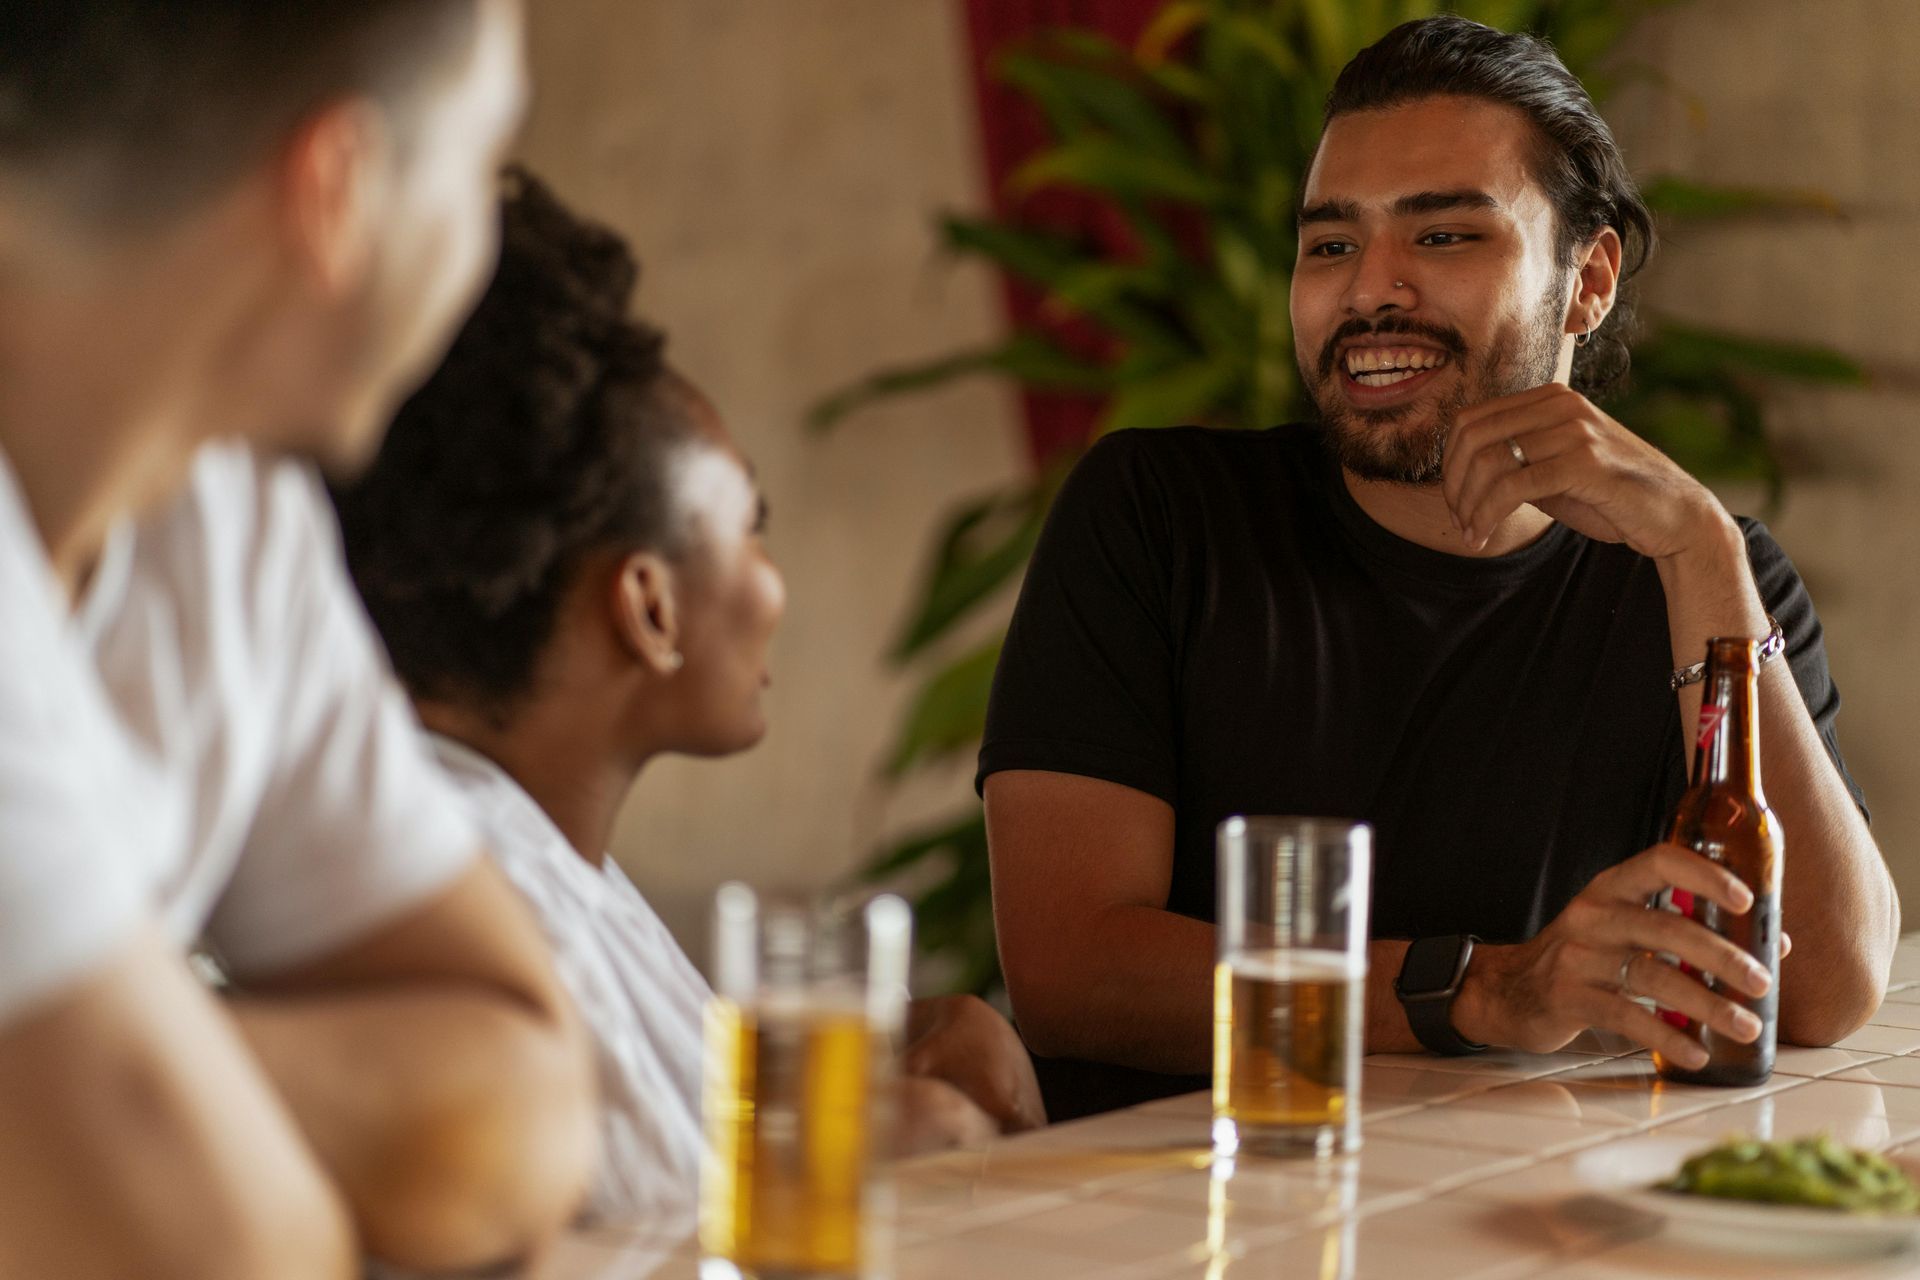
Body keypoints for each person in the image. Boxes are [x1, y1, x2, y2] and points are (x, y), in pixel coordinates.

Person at [980, 15, 1899, 1118]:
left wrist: (1698, 549)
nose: (1370, 292)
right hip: (1181, 1204)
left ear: (1590, 278)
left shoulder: (1708, 571)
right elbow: (1071, 972)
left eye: (1445, 237)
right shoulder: (1158, 516)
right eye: (1329, 244)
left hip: (1507, 1207)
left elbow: (1822, 987)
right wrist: (1479, 988)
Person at [0, 4, 598, 1276]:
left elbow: (538, 1100)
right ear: (337, 187)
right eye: (483, 166)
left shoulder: (228, 516)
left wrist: (144, 1062)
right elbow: (221, 1248)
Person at [331, 170, 1046, 1223]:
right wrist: (894, 1143)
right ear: (649, 606)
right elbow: (654, 1217)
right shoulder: (481, 889)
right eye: (749, 526)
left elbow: (674, 1123)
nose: (774, 583)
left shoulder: (540, 859)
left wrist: (885, 1056)